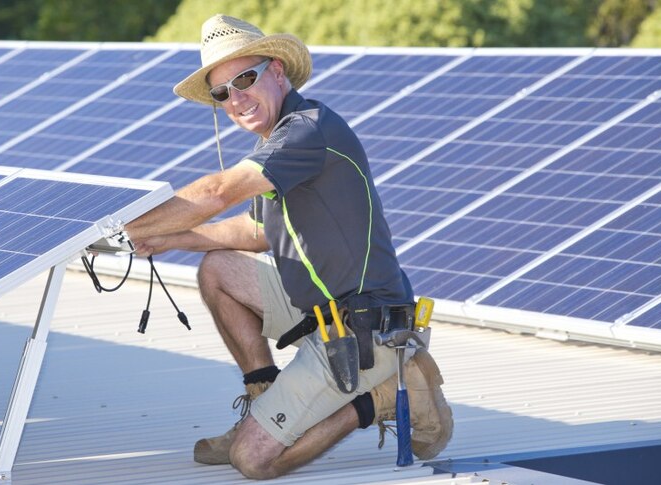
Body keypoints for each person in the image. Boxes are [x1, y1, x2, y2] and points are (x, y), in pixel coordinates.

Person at [120, 14, 452, 479]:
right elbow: (253, 233)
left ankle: (380, 396)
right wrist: (163, 239)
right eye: (222, 92)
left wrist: (123, 226)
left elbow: (218, 192)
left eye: (245, 78)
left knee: (253, 461)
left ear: (277, 70)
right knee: (218, 270)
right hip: (320, 313)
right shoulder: (277, 146)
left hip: (367, 330)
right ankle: (264, 401)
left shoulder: (307, 130)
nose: (236, 98)